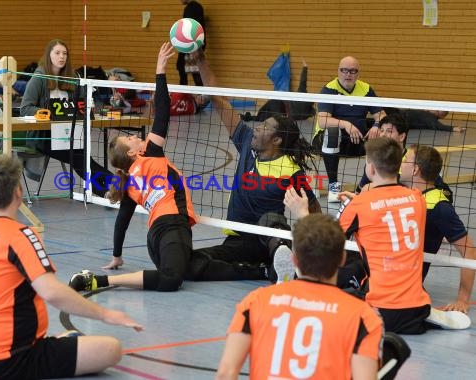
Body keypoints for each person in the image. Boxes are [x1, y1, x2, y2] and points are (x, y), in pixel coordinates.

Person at [69, 43, 269, 294]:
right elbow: (162, 112)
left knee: (191, 269)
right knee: (171, 279)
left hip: (160, 237)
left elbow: (122, 221)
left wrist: (117, 255)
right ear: (133, 152)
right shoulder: (148, 155)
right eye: (129, 139)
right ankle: (98, 280)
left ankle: (262, 271)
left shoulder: (130, 179)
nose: (134, 137)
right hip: (171, 227)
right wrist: (160, 70)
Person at [0, 154, 142, 378]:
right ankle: (47, 344)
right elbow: (51, 291)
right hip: (12, 358)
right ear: (18, 192)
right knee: (111, 349)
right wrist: (106, 314)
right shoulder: (21, 235)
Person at [285, 137, 472, 334]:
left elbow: (321, 243)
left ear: (371, 169)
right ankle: (426, 314)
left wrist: (302, 214)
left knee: (327, 283)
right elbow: (390, 207)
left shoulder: (361, 204)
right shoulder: (417, 199)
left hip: (380, 312)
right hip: (417, 310)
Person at [181, 49, 320, 278]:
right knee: (189, 263)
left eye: (265, 127)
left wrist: (317, 250)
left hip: (269, 238)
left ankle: (280, 259)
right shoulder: (247, 142)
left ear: (277, 140)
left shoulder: (291, 171)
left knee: (271, 221)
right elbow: (217, 99)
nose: (257, 127)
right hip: (239, 238)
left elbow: (312, 209)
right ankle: (263, 272)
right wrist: (201, 60)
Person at [217, 214, 385, 380]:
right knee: (393, 353)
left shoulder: (255, 302)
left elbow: (226, 373)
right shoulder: (363, 317)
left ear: (294, 259)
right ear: (342, 258)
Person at [20, 39, 113, 197]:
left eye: (64, 53)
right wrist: (49, 113)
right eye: (57, 53)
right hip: (43, 137)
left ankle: (106, 193)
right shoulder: (39, 78)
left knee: (82, 158)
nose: (61, 56)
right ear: (49, 55)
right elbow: (25, 108)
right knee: (80, 159)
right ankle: (114, 184)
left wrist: (88, 106)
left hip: (69, 134)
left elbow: (83, 103)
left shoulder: (72, 78)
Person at [400, 145, 476, 313]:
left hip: (401, 282)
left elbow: (469, 251)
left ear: (415, 170)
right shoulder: (402, 193)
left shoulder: (439, 206)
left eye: (405, 160)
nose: (401, 163)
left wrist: (462, 300)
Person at [313, 56, 385, 203]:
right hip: (326, 143)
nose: (348, 74)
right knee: (332, 131)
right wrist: (346, 124)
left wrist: (377, 126)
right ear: (338, 71)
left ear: (358, 74)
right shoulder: (329, 90)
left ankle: (364, 187)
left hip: (356, 141)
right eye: (344, 70)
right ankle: (333, 187)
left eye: (353, 71)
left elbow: (382, 115)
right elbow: (322, 120)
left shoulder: (365, 89)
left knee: (381, 135)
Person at [242, 59, 315, 122]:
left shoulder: (303, 94)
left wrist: (305, 67)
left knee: (263, 115)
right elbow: (312, 113)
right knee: (263, 118)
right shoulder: (306, 114)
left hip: (279, 104)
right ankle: (248, 117)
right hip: (282, 112)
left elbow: (303, 81)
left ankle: (248, 117)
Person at [177, 0, 206, 86]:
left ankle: (184, 94)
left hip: (191, 45)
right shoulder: (198, 7)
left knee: (185, 68)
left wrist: (192, 46)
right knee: (190, 69)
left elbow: (189, 27)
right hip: (196, 43)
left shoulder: (190, 8)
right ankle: (200, 95)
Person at [385, 108, 466, 133]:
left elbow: (438, 126)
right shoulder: (428, 115)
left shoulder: (429, 117)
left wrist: (453, 128)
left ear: (438, 113)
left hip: (397, 117)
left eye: (435, 109)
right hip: (398, 114)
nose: (432, 108)